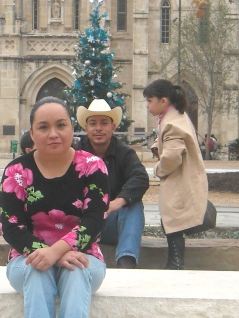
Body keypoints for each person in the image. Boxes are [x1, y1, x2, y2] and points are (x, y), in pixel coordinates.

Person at [0, 96, 109, 318]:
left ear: (72, 128)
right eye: (43, 127)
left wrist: (57, 251)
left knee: (75, 274)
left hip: (85, 257)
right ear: (32, 133)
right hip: (26, 259)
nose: (53, 134)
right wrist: (47, 254)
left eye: (60, 125)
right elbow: (11, 227)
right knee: (37, 271)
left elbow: (94, 221)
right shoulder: (16, 172)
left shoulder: (91, 167)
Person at [143, 79, 208, 270]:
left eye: (150, 100)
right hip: (184, 180)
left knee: (173, 224)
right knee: (173, 223)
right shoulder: (174, 117)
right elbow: (170, 143)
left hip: (179, 182)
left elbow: (172, 156)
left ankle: (175, 264)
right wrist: (157, 146)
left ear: (163, 101)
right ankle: (175, 262)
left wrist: (157, 169)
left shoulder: (171, 122)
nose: (147, 105)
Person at [76, 98, 149, 269]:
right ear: (86, 128)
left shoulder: (125, 153)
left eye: (104, 123)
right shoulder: (75, 154)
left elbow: (140, 177)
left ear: (113, 127)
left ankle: (126, 262)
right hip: (82, 224)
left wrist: (118, 202)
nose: (98, 128)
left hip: (110, 223)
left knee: (133, 205)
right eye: (93, 123)